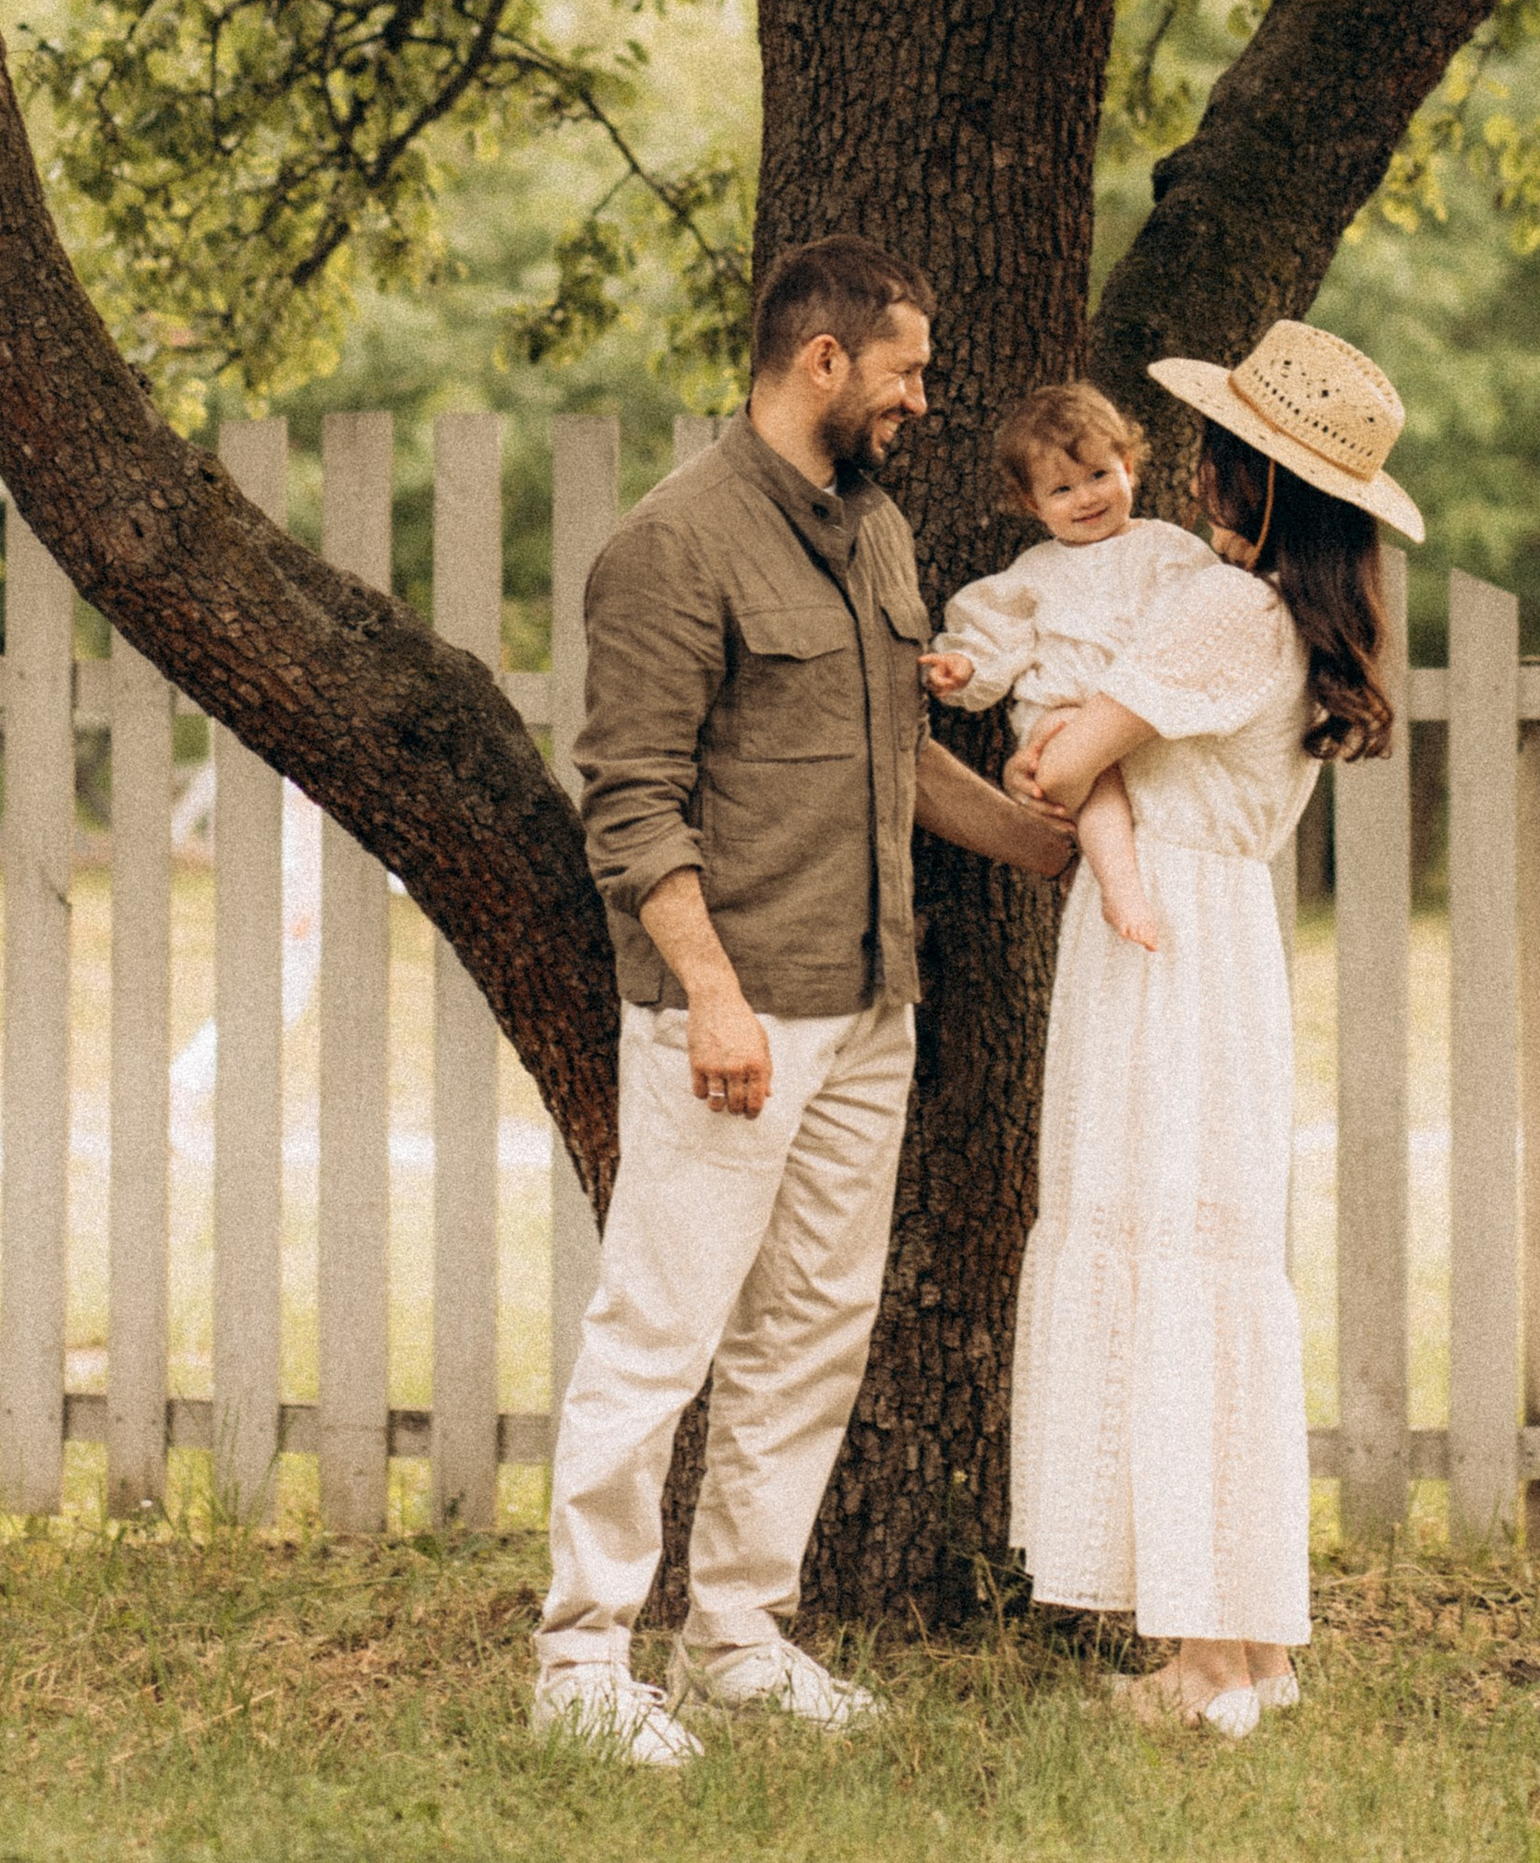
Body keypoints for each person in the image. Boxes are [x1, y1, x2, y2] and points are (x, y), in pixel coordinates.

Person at [532, 233, 1077, 1767]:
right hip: (735, 1015)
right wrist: (711, 999)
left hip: (869, 1003)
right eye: (906, 370)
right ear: (821, 360)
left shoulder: (881, 536)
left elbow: (899, 768)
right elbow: (630, 803)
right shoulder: (673, 545)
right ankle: (580, 1664)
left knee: (811, 1334)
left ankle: (737, 1640)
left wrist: (1036, 841)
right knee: (661, 1329)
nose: (923, 399)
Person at [1004, 318, 1419, 1737]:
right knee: (1208, 1257)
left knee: (1165, 1247)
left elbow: (1061, 757)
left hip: (1161, 943)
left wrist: (1042, 732)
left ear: (1251, 477)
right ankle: (1240, 1646)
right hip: (1218, 934)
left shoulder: (1226, 612)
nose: (1188, 471)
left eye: (1214, 452)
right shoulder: (1288, 621)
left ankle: (1203, 1657)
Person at [921, 379, 1215, 953]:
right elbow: (996, 639)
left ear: (1129, 465)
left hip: (1135, 707)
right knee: (1092, 777)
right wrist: (965, 666)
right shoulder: (1034, 571)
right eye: (1062, 489)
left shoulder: (1167, 549)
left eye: (1099, 475)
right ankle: (1118, 885)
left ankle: (1123, 873)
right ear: (1033, 504)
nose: (1085, 498)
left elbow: (1195, 623)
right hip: (1058, 712)